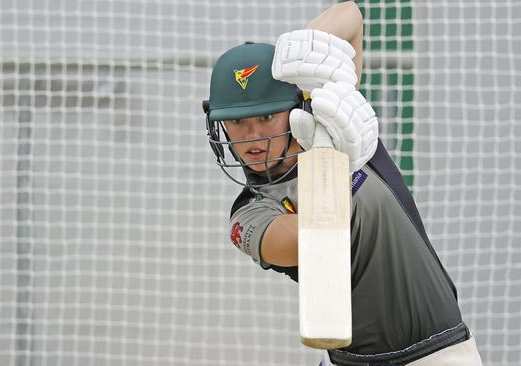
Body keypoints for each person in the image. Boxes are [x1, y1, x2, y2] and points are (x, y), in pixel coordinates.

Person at [201, 2, 484, 365]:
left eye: (267, 116)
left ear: (295, 106)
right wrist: (332, 156)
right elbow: (309, 236)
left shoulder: (347, 127)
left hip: (439, 355)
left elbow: (352, 16)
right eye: (236, 121)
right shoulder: (250, 212)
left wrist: (302, 51)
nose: (251, 135)